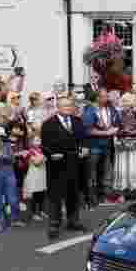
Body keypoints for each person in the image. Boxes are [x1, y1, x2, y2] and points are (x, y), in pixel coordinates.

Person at [40, 96, 87, 240]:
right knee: (55, 195)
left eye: (70, 106)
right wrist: (51, 154)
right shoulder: (48, 124)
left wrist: (84, 148)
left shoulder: (78, 121)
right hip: (56, 164)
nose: (68, 108)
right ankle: (54, 223)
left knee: (73, 193)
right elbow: (44, 144)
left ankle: (73, 221)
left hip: (74, 162)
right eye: (65, 106)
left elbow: (83, 139)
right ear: (58, 107)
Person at [82, 89, 120, 205]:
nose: (106, 99)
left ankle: (104, 196)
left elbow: (117, 122)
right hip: (94, 146)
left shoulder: (111, 108)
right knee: (92, 174)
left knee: (106, 172)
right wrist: (106, 133)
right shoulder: (90, 110)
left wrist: (115, 129)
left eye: (106, 96)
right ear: (97, 98)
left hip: (107, 146)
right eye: (103, 97)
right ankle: (92, 199)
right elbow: (88, 130)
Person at [0, 126, 25, 233]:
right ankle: (0, 223)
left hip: (9, 175)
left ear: (1, 137)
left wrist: (6, 157)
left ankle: (15, 219)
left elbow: (13, 161)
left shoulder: (7, 146)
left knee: (13, 199)